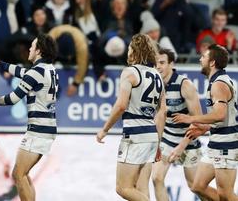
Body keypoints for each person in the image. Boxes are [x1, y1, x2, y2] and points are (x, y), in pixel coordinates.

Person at [0, 33, 60, 201]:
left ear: (39, 51)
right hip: (46, 128)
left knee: (18, 174)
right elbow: (20, 71)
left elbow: (13, 98)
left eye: (32, 46)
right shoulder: (49, 69)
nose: (29, 49)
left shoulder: (36, 72)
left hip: (38, 130)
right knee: (23, 175)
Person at [96, 34, 166, 201]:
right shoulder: (158, 76)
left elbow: (121, 106)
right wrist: (158, 142)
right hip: (151, 135)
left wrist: (104, 129)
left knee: (123, 187)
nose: (127, 53)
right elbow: (162, 112)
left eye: (129, 49)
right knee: (142, 189)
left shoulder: (129, 72)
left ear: (135, 51)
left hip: (134, 135)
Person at [173, 44, 237, 201]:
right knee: (198, 186)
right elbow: (227, 115)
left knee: (225, 194)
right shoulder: (221, 81)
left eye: (204, 57)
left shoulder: (218, 84)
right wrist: (205, 128)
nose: (200, 59)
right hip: (216, 142)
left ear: (212, 62)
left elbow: (220, 115)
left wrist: (190, 118)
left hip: (226, 144)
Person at [151, 48, 203, 201]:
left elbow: (198, 121)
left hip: (188, 142)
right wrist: (156, 144)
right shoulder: (155, 85)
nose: (158, 67)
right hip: (167, 141)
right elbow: (160, 118)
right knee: (156, 178)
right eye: (155, 63)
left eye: (162, 63)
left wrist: (182, 146)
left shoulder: (185, 85)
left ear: (171, 64)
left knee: (197, 187)